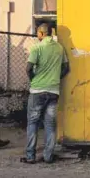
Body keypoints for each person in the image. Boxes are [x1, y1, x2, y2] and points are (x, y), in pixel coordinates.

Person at [22, 23, 69, 164]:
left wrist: (33, 79)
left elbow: (28, 68)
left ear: (41, 33)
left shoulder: (37, 47)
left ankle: (30, 156)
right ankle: (48, 156)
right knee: (50, 124)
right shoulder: (60, 48)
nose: (37, 35)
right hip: (53, 90)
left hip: (37, 91)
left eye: (38, 33)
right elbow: (66, 68)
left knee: (33, 123)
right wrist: (55, 78)